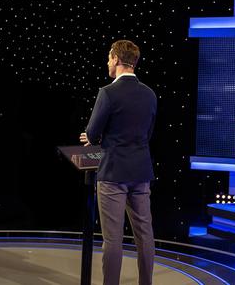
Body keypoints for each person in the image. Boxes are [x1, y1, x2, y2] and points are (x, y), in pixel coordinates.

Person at [80, 40, 157, 285]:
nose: (107, 62)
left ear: (115, 58)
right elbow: (148, 134)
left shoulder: (108, 92)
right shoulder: (149, 94)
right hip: (141, 172)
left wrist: (95, 137)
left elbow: (92, 134)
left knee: (112, 239)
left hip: (113, 172)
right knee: (145, 236)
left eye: (108, 57)